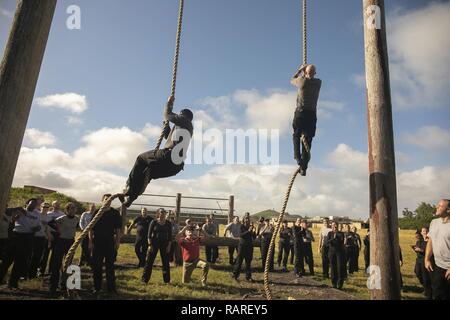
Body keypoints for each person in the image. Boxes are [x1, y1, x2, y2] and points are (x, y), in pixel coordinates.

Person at [122, 96, 194, 207]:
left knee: (141, 159)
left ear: (182, 115)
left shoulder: (185, 121)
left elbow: (167, 114)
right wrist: (167, 128)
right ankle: (131, 198)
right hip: (175, 166)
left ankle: (128, 187)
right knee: (148, 173)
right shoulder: (184, 128)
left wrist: (168, 103)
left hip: (169, 157)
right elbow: (169, 139)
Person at [0, 200, 41, 289]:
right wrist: (16, 210)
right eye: (31, 203)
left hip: (28, 237)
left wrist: (37, 228)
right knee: (7, 260)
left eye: (34, 204)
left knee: (20, 261)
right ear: (26, 204)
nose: (32, 205)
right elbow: (5, 211)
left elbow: (39, 225)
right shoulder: (19, 210)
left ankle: (13, 283)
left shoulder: (37, 214)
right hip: (16, 236)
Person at [290, 64, 322, 176]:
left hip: (301, 113)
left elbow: (291, 80)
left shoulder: (302, 82)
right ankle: (304, 166)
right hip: (312, 114)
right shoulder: (318, 83)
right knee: (308, 140)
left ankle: (298, 158)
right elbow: (311, 77)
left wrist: (299, 71)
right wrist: (306, 73)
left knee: (296, 135)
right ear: (315, 73)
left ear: (305, 73)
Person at [90, 194, 122, 294]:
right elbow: (90, 228)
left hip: (109, 242)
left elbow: (118, 229)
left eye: (109, 199)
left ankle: (111, 289)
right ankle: (97, 288)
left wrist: (117, 241)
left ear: (111, 201)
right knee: (97, 266)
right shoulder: (97, 212)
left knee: (110, 266)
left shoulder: (115, 213)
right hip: (98, 242)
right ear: (102, 201)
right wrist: (90, 242)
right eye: (106, 199)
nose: (108, 200)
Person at [49, 202, 79, 294]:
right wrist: (58, 231)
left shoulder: (77, 218)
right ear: (67, 210)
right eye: (71, 208)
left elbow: (76, 227)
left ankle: (64, 285)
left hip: (70, 242)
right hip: (61, 242)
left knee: (68, 264)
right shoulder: (62, 218)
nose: (73, 210)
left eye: (74, 208)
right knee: (57, 263)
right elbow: (50, 223)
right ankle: (53, 286)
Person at [425, 199, 450, 300]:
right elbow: (431, 241)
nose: (436, 207)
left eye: (440, 206)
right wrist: (426, 259)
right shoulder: (434, 222)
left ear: (448, 210)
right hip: (437, 266)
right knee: (438, 294)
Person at [142, 208, 172, 284]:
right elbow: (149, 235)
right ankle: (144, 280)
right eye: (161, 212)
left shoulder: (168, 223)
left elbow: (170, 236)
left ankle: (167, 281)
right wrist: (149, 245)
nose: (163, 213)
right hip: (154, 243)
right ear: (158, 213)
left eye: (164, 212)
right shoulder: (154, 222)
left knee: (165, 263)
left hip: (164, 244)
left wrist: (169, 246)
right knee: (149, 262)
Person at [39, 200, 65, 276]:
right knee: (45, 254)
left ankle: (51, 271)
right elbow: (45, 224)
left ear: (60, 205)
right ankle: (41, 271)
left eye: (58, 204)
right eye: (55, 204)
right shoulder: (48, 214)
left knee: (55, 254)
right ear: (52, 206)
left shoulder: (62, 214)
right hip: (48, 234)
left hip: (57, 235)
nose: (57, 206)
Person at [28, 202, 51, 279]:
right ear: (41, 207)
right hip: (34, 237)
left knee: (38, 256)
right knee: (30, 255)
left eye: (47, 207)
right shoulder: (37, 214)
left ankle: (33, 274)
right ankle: (26, 273)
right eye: (44, 207)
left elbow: (47, 228)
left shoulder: (48, 217)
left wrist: (49, 239)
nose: (45, 208)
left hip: (42, 238)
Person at [232, 216, 256, 282]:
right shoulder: (241, 226)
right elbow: (241, 235)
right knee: (239, 261)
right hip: (242, 246)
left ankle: (248, 277)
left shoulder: (251, 227)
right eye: (246, 219)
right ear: (243, 220)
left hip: (249, 246)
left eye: (248, 219)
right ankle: (235, 275)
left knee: (248, 262)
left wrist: (254, 232)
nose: (247, 220)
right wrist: (248, 231)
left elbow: (254, 237)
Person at [413, 227, 432, 299]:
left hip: (425, 261)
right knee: (417, 272)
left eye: (426, 231)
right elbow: (418, 248)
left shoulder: (430, 241)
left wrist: (421, 250)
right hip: (418, 260)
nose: (425, 232)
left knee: (425, 277)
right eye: (423, 231)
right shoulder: (419, 241)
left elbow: (430, 251)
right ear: (421, 233)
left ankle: (428, 292)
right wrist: (415, 249)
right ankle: (425, 287)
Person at [327, 221, 345, 289]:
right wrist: (333, 238)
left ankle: (340, 284)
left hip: (339, 253)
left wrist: (336, 236)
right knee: (333, 268)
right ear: (331, 226)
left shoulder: (341, 233)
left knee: (339, 267)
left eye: (335, 225)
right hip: (331, 253)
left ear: (337, 226)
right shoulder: (329, 233)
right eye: (333, 225)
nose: (334, 226)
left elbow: (341, 241)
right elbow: (327, 242)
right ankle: (334, 283)